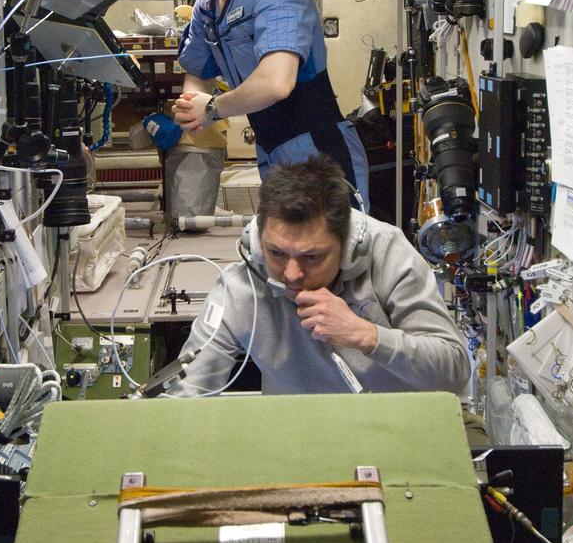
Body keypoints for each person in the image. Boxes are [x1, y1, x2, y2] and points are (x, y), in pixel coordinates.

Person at [164, 155, 470, 396]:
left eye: (312, 257)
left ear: (348, 246)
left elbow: (453, 372)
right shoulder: (242, 284)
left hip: (398, 435)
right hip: (299, 443)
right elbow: (189, 391)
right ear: (258, 244)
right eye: (277, 254)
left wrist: (367, 335)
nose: (292, 274)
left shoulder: (387, 255)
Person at [170, 0, 370, 210]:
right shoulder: (208, 3)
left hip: (318, 153)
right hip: (271, 151)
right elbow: (196, 70)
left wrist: (211, 108)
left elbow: (276, 82)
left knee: (334, 255)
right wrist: (192, 105)